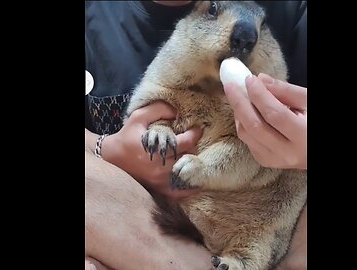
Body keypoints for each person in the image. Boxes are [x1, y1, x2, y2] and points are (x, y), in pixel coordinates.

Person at [85, 1, 307, 269]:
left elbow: (245, 157)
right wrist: (105, 146)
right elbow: (153, 97)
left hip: (253, 214)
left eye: (263, 27)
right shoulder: (96, 15)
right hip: (149, 220)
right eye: (214, 10)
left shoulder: (293, 11)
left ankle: (243, 259)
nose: (245, 38)